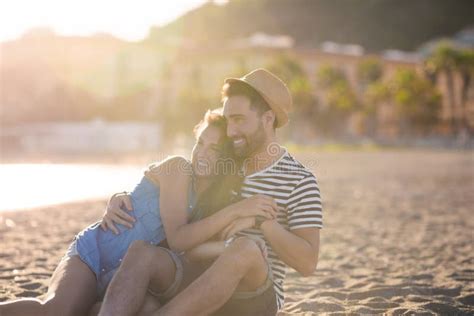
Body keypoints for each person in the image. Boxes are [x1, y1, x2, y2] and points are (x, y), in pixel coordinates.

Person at [0, 109, 277, 316]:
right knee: (55, 311)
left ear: (226, 157)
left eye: (214, 149)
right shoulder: (178, 169)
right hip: (97, 253)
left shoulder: (209, 206)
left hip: (126, 274)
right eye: (200, 142)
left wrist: (229, 247)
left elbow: (188, 250)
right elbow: (179, 238)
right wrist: (235, 211)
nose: (202, 153)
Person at [98, 68, 323, 316]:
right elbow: (183, 222)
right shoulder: (222, 167)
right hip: (199, 282)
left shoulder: (299, 180)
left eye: (239, 120)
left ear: (267, 119)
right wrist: (121, 197)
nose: (230, 131)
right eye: (228, 121)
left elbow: (307, 263)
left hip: (254, 298)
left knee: (245, 248)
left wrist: (263, 223)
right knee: (142, 252)